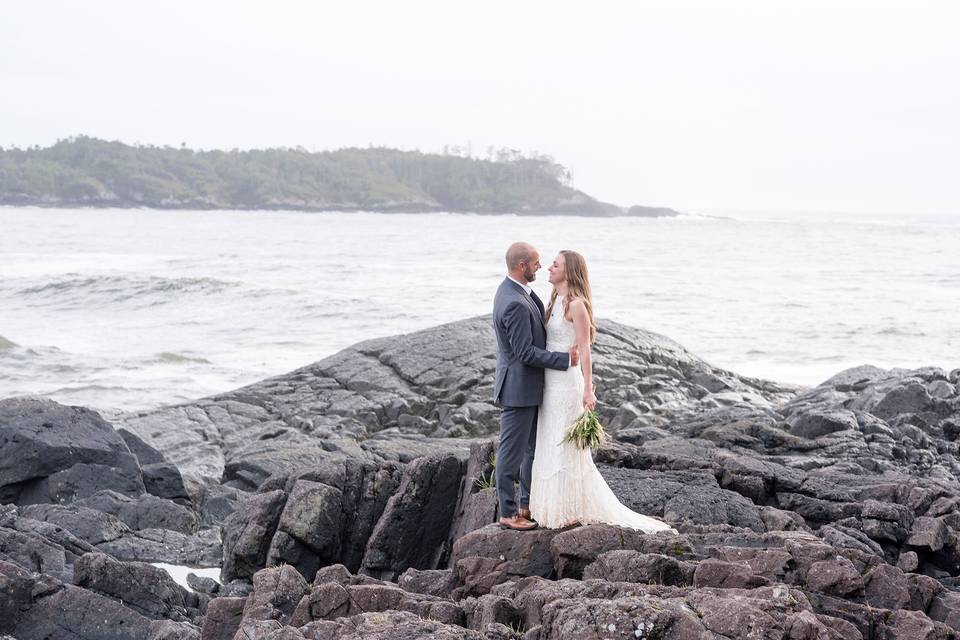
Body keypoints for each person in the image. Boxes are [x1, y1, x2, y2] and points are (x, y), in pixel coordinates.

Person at [528, 250, 677, 533]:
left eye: (555, 265)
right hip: (549, 383)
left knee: (565, 445)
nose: (549, 267)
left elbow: (585, 350)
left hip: (567, 384)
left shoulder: (577, 305)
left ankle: (570, 509)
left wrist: (588, 389)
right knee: (548, 440)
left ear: (569, 271)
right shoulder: (553, 301)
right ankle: (552, 506)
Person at [492, 242, 579, 531]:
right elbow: (524, 353)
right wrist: (564, 359)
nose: (540, 267)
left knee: (531, 450)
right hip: (518, 389)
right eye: (536, 263)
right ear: (522, 266)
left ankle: (527, 504)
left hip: (529, 388)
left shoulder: (518, 292)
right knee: (511, 452)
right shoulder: (515, 302)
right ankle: (507, 511)